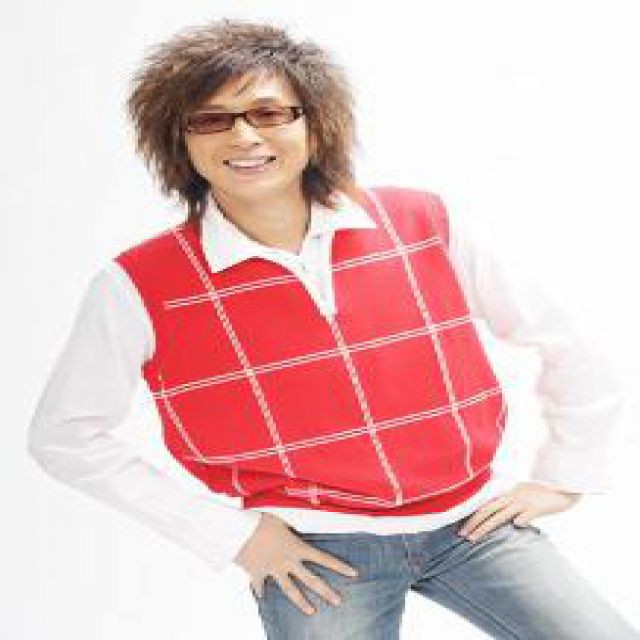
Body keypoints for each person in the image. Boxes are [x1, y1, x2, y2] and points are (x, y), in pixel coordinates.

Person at [27, 17, 638, 639]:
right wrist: (234, 537)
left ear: (315, 125)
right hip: (315, 551)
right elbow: (66, 435)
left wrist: (566, 475)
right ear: (178, 142)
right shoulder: (139, 283)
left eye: (269, 113)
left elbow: (564, 339)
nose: (244, 136)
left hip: (474, 522)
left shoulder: (420, 221)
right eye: (210, 120)